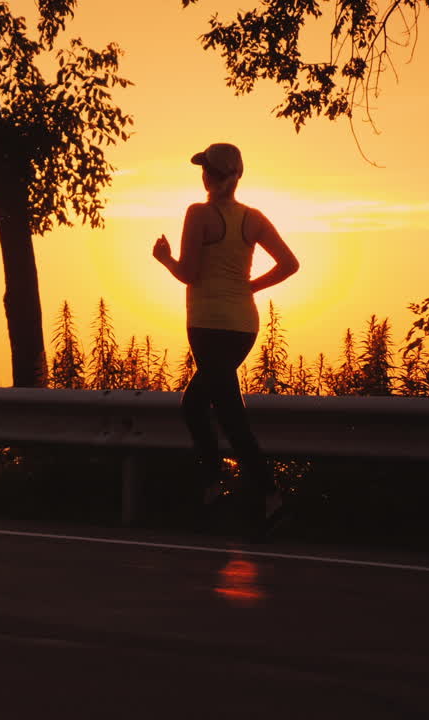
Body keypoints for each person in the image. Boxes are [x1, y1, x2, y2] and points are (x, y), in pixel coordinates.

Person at [151, 142, 299, 541]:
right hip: (243, 327)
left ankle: (265, 498)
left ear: (209, 176)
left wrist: (163, 258)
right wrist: (249, 286)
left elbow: (190, 274)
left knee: (227, 414)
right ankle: (215, 491)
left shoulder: (198, 214)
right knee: (195, 404)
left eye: (204, 169)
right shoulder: (254, 218)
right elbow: (290, 265)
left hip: (208, 323)